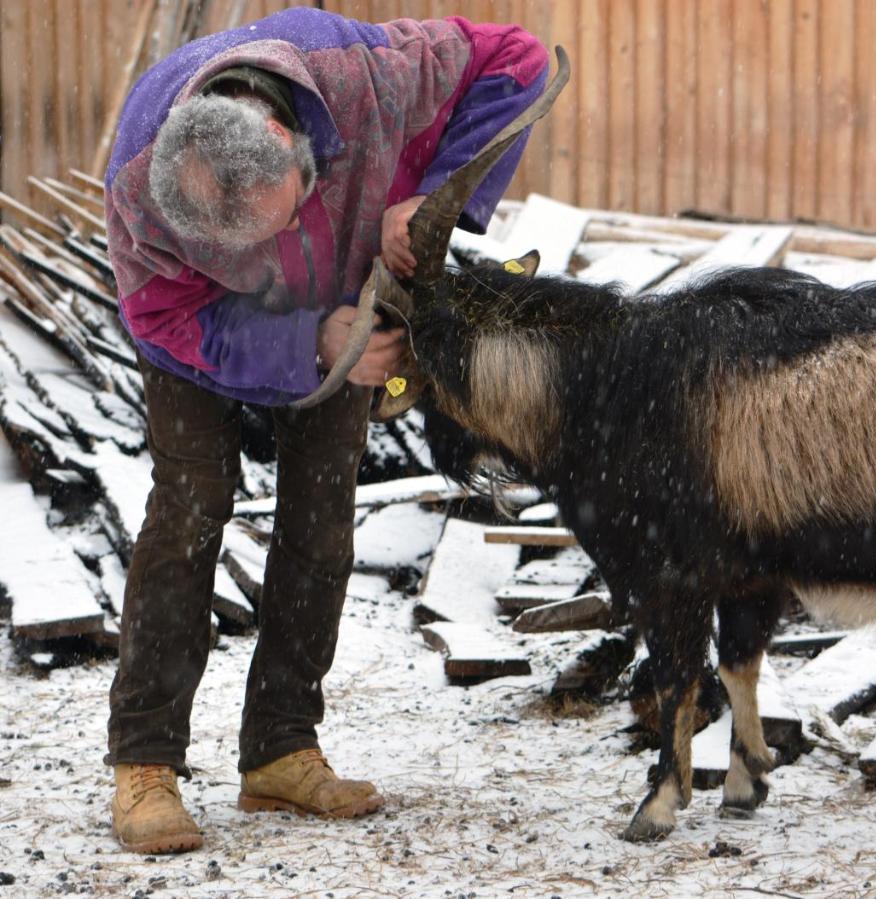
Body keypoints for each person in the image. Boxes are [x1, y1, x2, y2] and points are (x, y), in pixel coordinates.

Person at [103, 7, 548, 854]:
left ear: (287, 134)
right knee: (192, 502)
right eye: (239, 243)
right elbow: (166, 319)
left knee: (319, 514)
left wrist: (434, 198)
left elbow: (515, 59)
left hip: (350, 289)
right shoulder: (140, 182)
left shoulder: (362, 71)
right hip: (206, 332)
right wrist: (309, 339)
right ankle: (145, 763)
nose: (263, 253)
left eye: (277, 217)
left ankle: (280, 746)